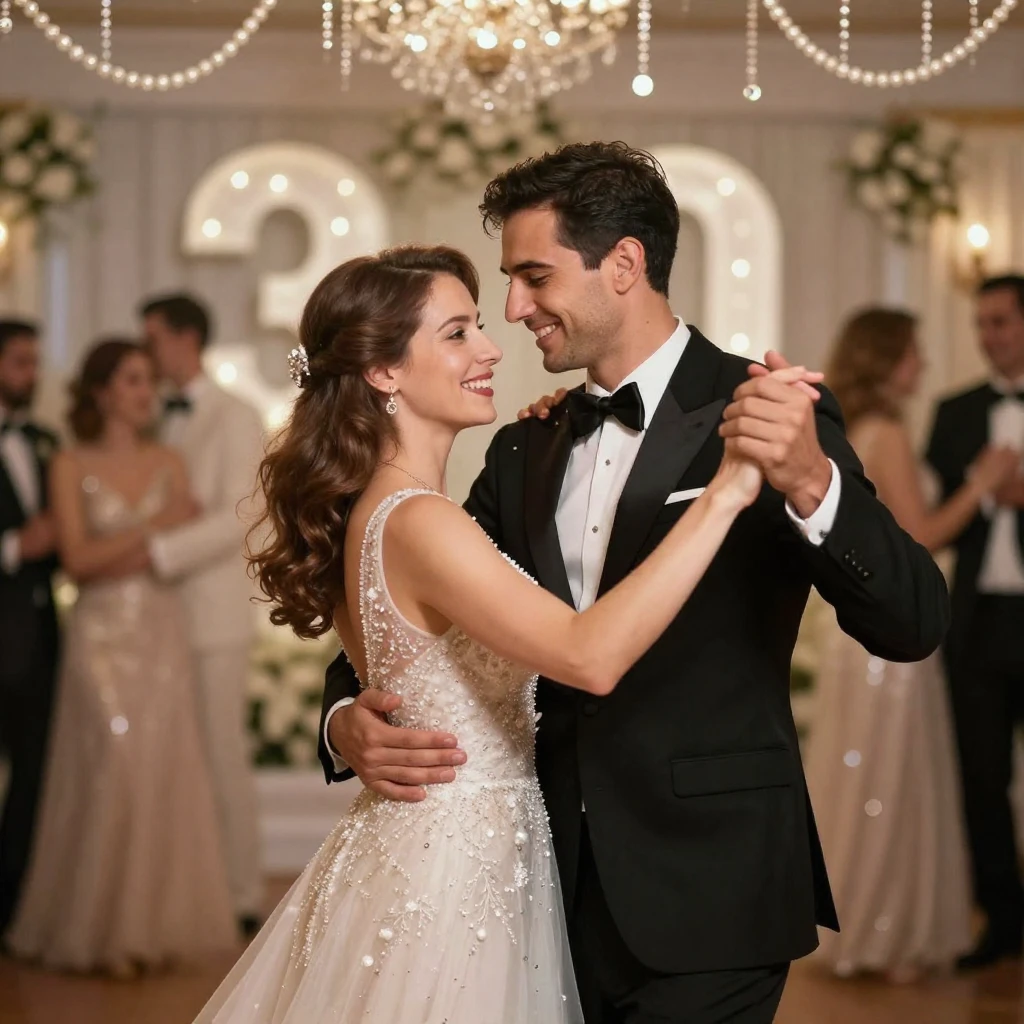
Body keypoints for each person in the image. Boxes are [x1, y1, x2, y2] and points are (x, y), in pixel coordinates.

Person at [319, 142, 951, 1024]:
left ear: (623, 264)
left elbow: (913, 622)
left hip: (713, 888)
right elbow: (425, 621)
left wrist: (812, 481)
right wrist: (343, 719)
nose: (515, 308)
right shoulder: (525, 445)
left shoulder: (763, 408)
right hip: (534, 896)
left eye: (534, 277)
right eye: (508, 283)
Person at [191, 243, 816, 1023]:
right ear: (383, 372)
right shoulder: (420, 522)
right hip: (451, 877)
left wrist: (345, 717)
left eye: (479, 326)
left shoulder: (387, 509)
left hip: (456, 853)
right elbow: (589, 655)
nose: (491, 348)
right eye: (457, 333)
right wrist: (728, 490)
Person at [5, 338, 236, 973]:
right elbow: (78, 563)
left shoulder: (170, 459)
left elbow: (173, 557)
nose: (145, 392)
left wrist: (135, 547)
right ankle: (98, 930)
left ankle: (145, 930)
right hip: (99, 637)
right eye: (132, 380)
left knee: (159, 773)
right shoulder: (69, 462)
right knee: (112, 767)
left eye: (148, 381)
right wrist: (156, 526)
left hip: (162, 632)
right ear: (102, 391)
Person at [804, 308, 1016, 982]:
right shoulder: (889, 432)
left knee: (862, 778)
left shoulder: (847, 426)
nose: (922, 364)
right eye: (912, 353)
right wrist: (982, 486)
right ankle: (883, 931)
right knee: (890, 783)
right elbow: (918, 535)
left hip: (858, 639)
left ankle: (858, 924)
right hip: (889, 645)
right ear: (887, 358)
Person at [140, 293, 266, 935]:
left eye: (154, 339)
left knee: (220, 754)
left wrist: (156, 550)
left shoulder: (236, 414)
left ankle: (241, 893)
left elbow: (244, 513)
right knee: (167, 760)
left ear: (186, 338)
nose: (147, 353)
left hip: (213, 615)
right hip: (152, 618)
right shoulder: (148, 416)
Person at [926, 274, 1024, 970]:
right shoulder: (954, 412)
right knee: (981, 778)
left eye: (1000, 322)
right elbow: (934, 518)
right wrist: (984, 492)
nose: (988, 336)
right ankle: (1002, 919)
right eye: (981, 324)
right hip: (980, 621)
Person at [0, 319, 60, 933]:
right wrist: (16, 546)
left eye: (34, 362)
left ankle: (13, 907)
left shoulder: (44, 441)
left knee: (34, 776)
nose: (32, 374)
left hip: (39, 636)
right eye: (20, 361)